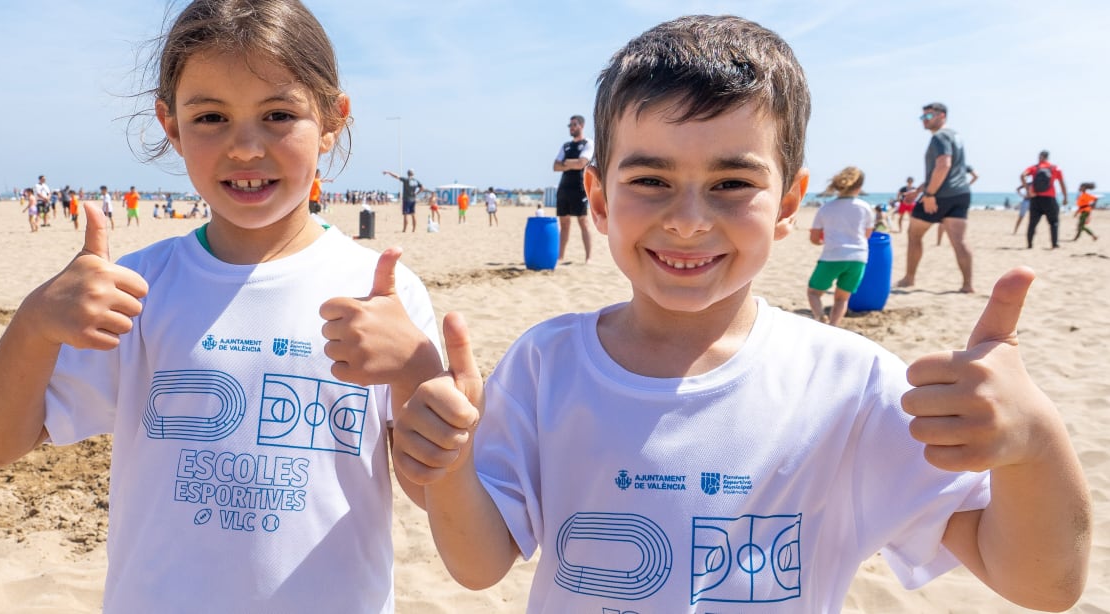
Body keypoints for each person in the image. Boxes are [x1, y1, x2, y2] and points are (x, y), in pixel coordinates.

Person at [386, 16, 1090, 613]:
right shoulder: (546, 363)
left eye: (731, 183)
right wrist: (448, 468)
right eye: (651, 180)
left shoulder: (853, 383)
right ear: (598, 201)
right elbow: (479, 564)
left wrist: (1034, 444)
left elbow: (1042, 582)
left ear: (788, 203)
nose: (688, 221)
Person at [0, 1, 442, 611]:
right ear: (171, 126)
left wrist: (420, 378)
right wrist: (33, 324)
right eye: (211, 116)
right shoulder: (135, 289)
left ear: (331, 121)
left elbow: (430, 493)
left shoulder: (380, 294)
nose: (245, 147)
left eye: (278, 115)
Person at [896, 102, 974, 293]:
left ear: (942, 116)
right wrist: (920, 190)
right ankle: (967, 285)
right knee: (959, 241)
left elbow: (943, 166)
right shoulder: (956, 136)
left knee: (914, 234)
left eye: (928, 116)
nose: (924, 120)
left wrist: (929, 194)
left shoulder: (939, 137)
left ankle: (909, 278)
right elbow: (940, 171)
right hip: (961, 194)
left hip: (940, 195)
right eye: (922, 117)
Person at [807, 167, 874, 327]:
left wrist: (823, 242)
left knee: (813, 293)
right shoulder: (865, 207)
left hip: (832, 256)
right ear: (859, 187)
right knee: (842, 298)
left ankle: (820, 317)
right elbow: (867, 235)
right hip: (858, 258)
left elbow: (814, 238)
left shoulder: (826, 208)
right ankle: (834, 326)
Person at [553, 114, 594, 262]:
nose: (571, 128)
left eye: (574, 125)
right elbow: (555, 166)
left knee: (583, 221)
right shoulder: (566, 146)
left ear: (581, 126)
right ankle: (561, 256)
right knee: (564, 223)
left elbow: (581, 163)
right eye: (570, 125)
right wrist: (572, 163)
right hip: (564, 188)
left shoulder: (588, 143)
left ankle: (588, 257)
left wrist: (566, 163)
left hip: (579, 187)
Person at [1020, 150, 1068, 249]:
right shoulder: (1055, 168)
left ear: (1040, 157)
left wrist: (1028, 191)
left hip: (1035, 198)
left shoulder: (1034, 168)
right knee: (1054, 222)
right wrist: (1065, 197)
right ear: (1048, 157)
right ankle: (1054, 244)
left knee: (1032, 223)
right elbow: (1062, 184)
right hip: (1050, 198)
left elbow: (1022, 175)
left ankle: (1029, 244)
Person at [936, 165, 979, 246]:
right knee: (960, 219)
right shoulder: (965, 166)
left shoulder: (947, 165)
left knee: (943, 220)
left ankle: (939, 242)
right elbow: (976, 176)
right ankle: (959, 242)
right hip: (963, 194)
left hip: (948, 193)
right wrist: (968, 185)